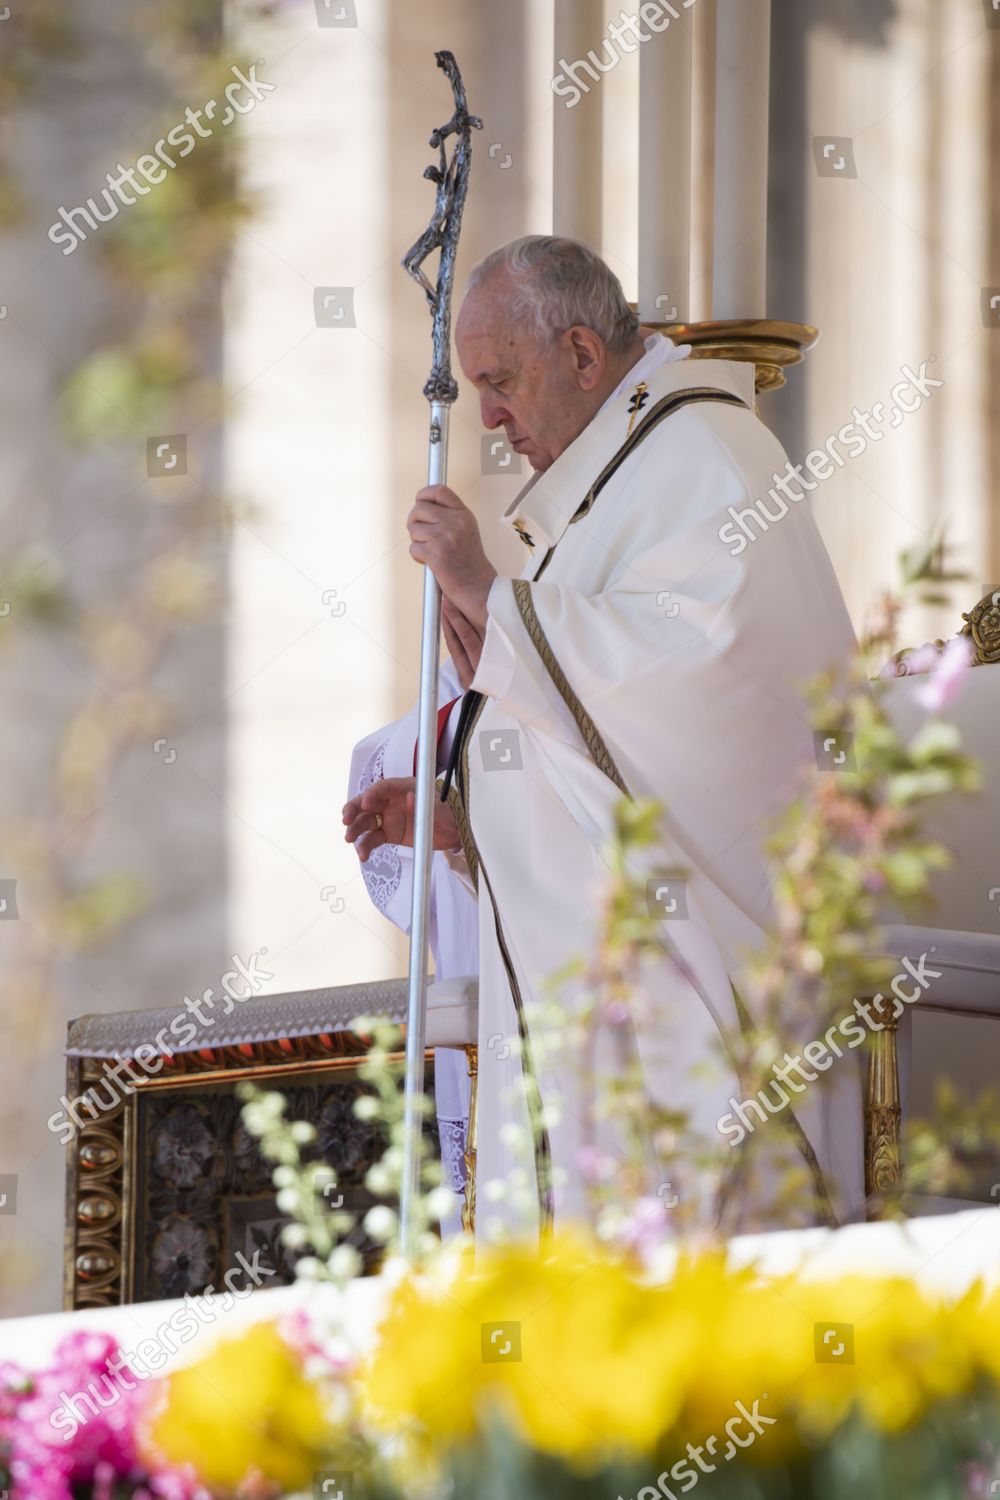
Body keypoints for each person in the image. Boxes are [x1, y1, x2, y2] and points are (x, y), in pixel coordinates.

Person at [343, 235, 865, 1243]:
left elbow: (711, 696)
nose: (489, 415)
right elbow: (601, 742)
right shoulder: (620, 475)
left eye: (500, 381)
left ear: (582, 355)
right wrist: (469, 816)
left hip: (692, 975)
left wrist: (498, 605)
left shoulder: (705, 455)